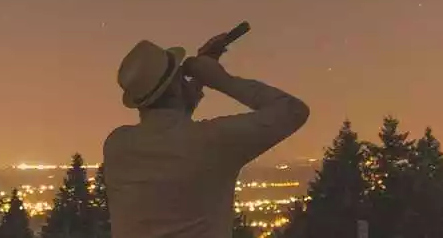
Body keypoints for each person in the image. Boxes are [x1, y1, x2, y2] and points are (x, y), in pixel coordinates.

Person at [104, 31, 310, 238]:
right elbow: (293, 111)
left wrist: (191, 84)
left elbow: (169, 127)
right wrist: (217, 78)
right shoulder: (214, 142)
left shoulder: (116, 146)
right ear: (177, 89)